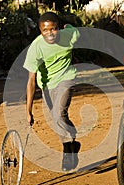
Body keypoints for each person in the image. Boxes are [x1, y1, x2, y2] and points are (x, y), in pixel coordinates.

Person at [23, 12, 81, 172]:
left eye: (54, 29)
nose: (50, 34)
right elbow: (31, 82)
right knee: (55, 120)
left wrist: (68, 27)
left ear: (59, 28)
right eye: (45, 30)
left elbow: (75, 31)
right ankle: (70, 148)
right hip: (47, 85)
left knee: (59, 113)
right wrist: (28, 111)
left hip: (67, 77)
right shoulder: (36, 48)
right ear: (40, 31)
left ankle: (69, 145)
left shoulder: (69, 35)